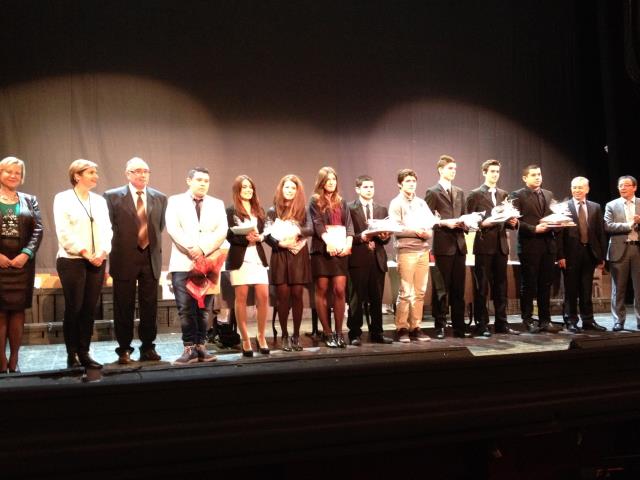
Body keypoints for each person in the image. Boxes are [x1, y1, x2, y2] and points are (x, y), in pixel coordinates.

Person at [104, 157, 167, 364]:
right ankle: (124, 348)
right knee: (124, 306)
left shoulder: (160, 197)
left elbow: (159, 227)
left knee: (150, 306)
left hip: (150, 258)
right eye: (137, 171)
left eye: (146, 171)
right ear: (128, 174)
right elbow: (109, 228)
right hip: (124, 258)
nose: (142, 174)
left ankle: (148, 347)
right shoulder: (112, 197)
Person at [54, 159, 113, 369]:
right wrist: (87, 253)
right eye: (91, 172)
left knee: (89, 308)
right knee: (75, 307)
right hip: (72, 260)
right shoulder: (62, 198)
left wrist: (103, 252)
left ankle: (84, 351)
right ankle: (72, 353)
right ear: (77, 176)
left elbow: (108, 229)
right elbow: (63, 232)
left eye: (95, 172)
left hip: (97, 260)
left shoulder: (99, 201)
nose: (96, 175)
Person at [166, 167, 227, 364]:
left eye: (206, 180)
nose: (203, 183)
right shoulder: (175, 201)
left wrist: (202, 248)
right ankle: (189, 348)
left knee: (203, 310)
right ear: (189, 181)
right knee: (186, 309)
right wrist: (193, 248)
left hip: (208, 263)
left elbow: (222, 231)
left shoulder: (217, 204)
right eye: (199, 180)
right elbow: (173, 228)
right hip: (184, 262)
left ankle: (201, 347)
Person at [465, 159, 520, 336]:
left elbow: (508, 221)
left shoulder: (504, 194)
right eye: (492, 171)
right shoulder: (475, 194)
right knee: (482, 287)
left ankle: (502, 323)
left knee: (501, 286)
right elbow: (469, 220)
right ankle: (482, 324)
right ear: (484, 172)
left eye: (497, 171)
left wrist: (512, 222)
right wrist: (483, 223)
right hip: (483, 245)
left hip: (501, 246)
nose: (495, 174)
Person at [0, 157, 43, 373]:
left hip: (22, 266)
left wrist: (26, 254)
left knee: (18, 312)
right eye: (8, 171)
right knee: (0, 313)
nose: (13, 175)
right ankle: (0, 360)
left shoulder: (29, 200)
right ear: (0, 173)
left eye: (17, 172)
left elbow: (38, 230)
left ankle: (15, 360)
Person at [508, 164, 561, 334]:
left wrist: (557, 222)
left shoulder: (548, 194)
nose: (538, 177)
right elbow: (514, 221)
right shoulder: (517, 195)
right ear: (525, 178)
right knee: (529, 284)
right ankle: (528, 319)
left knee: (545, 284)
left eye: (539, 174)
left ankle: (545, 320)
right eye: (533, 175)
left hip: (547, 246)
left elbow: (554, 215)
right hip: (530, 245)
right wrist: (533, 229)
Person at [264, 174, 312, 352]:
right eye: (287, 187)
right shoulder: (272, 210)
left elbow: (311, 229)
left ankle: (296, 335)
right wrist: (279, 243)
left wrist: (296, 231)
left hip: (298, 254)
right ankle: (284, 335)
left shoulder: (303, 210)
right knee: (282, 296)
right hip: (280, 254)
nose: (290, 191)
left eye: (293, 188)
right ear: (281, 189)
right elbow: (266, 235)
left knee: (297, 294)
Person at [389, 169, 437, 343]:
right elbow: (396, 228)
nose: (411, 184)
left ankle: (416, 326)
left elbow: (431, 225)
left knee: (420, 292)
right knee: (406, 292)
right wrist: (415, 231)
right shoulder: (396, 203)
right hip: (407, 252)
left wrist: (427, 233)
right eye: (408, 181)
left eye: (413, 181)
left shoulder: (421, 203)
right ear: (400, 184)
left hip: (423, 251)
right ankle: (402, 327)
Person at [309, 166, 354, 348]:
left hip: (340, 249)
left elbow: (349, 225)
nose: (331, 183)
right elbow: (318, 225)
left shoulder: (342, 202)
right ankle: (327, 333)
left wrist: (348, 243)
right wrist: (329, 242)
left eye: (334, 180)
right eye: (328, 180)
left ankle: (338, 332)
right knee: (322, 288)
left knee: (340, 289)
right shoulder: (315, 201)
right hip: (322, 250)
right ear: (322, 182)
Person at [424, 155, 469, 339]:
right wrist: (444, 223)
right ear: (441, 170)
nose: (453, 171)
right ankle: (440, 325)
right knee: (441, 289)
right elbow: (426, 219)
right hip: (443, 247)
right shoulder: (432, 192)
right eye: (450, 168)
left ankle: (459, 326)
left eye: (455, 168)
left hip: (459, 245)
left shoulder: (459, 191)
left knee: (459, 289)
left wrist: (466, 223)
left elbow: (465, 215)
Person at [226, 175, 270, 357]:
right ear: (238, 190)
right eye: (244, 187)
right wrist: (245, 238)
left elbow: (267, 230)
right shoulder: (230, 210)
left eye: (250, 187)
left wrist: (261, 237)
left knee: (264, 296)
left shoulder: (259, 210)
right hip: (239, 259)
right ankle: (245, 339)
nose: (248, 190)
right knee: (241, 298)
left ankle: (261, 337)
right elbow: (228, 235)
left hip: (257, 257)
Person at [557, 177, 607, 332]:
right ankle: (570, 320)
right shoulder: (564, 207)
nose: (577, 190)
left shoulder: (595, 207)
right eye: (574, 187)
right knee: (571, 290)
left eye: (580, 187)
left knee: (586, 290)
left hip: (589, 253)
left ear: (587, 189)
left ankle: (588, 320)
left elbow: (600, 232)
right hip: (570, 254)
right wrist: (560, 256)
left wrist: (601, 256)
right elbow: (559, 235)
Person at [347, 175, 393, 345]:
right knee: (356, 298)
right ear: (357, 189)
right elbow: (349, 233)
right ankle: (354, 333)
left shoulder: (382, 209)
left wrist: (385, 236)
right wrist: (362, 237)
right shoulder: (349, 208)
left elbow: (386, 237)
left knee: (376, 298)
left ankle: (377, 333)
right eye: (365, 187)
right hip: (358, 258)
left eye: (371, 187)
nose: (369, 190)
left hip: (377, 259)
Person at [604, 175, 640, 331]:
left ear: (634, 187)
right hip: (619, 250)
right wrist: (629, 224)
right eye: (620, 185)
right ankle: (619, 320)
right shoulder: (611, 205)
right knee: (618, 288)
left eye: (626, 185)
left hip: (637, 249)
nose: (623, 188)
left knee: (639, 288)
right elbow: (608, 226)